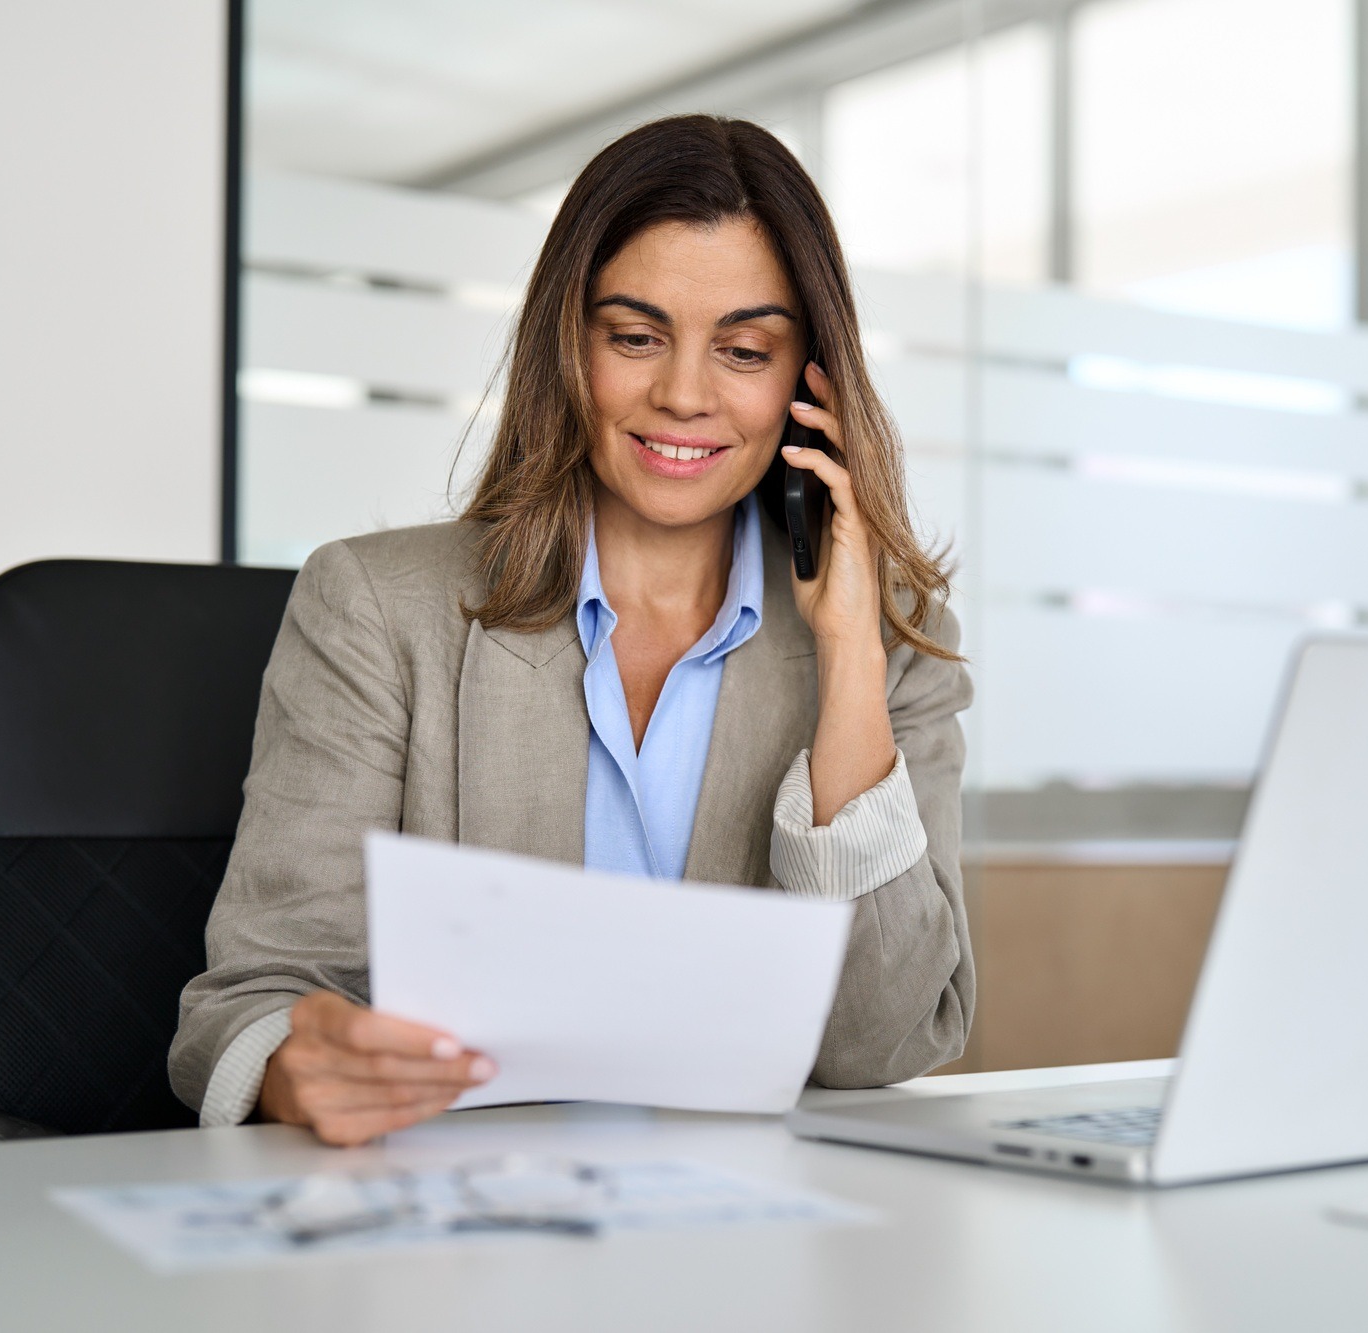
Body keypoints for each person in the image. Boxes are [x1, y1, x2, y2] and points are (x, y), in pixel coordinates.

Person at [169, 114, 974, 1146]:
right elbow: (245, 1003)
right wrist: (295, 1065)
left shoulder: (890, 647)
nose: (682, 394)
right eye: (634, 337)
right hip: (459, 1236)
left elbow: (884, 1041)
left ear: (806, 383)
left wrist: (849, 662)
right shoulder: (375, 608)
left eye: (743, 349)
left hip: (752, 1247)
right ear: (568, 345)